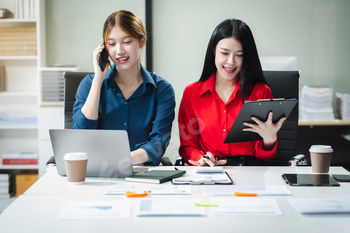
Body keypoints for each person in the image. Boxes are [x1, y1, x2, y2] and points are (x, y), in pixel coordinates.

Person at [72, 10, 175, 166]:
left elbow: (158, 143)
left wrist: (122, 161)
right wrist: (98, 81)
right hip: (98, 174)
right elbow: (80, 136)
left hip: (142, 175)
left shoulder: (162, 90)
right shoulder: (90, 84)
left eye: (126, 42)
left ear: (141, 41)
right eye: (112, 44)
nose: (119, 51)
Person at [178, 18, 286, 166]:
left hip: (250, 173)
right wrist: (201, 158)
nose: (231, 61)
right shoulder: (192, 93)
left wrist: (269, 139)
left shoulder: (260, 92)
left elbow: (264, 156)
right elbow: (187, 146)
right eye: (224, 53)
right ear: (214, 50)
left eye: (239, 55)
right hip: (210, 173)